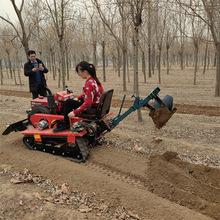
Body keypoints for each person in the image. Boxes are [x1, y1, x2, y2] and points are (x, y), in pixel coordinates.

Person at [53, 61, 104, 133]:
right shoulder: (94, 80)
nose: (79, 74)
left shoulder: (89, 84)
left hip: (91, 108)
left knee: (68, 102)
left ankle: (66, 124)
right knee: (73, 101)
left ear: (85, 72)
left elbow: (87, 104)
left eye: (79, 72)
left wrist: (74, 112)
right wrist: (79, 97)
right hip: (96, 106)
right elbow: (87, 94)